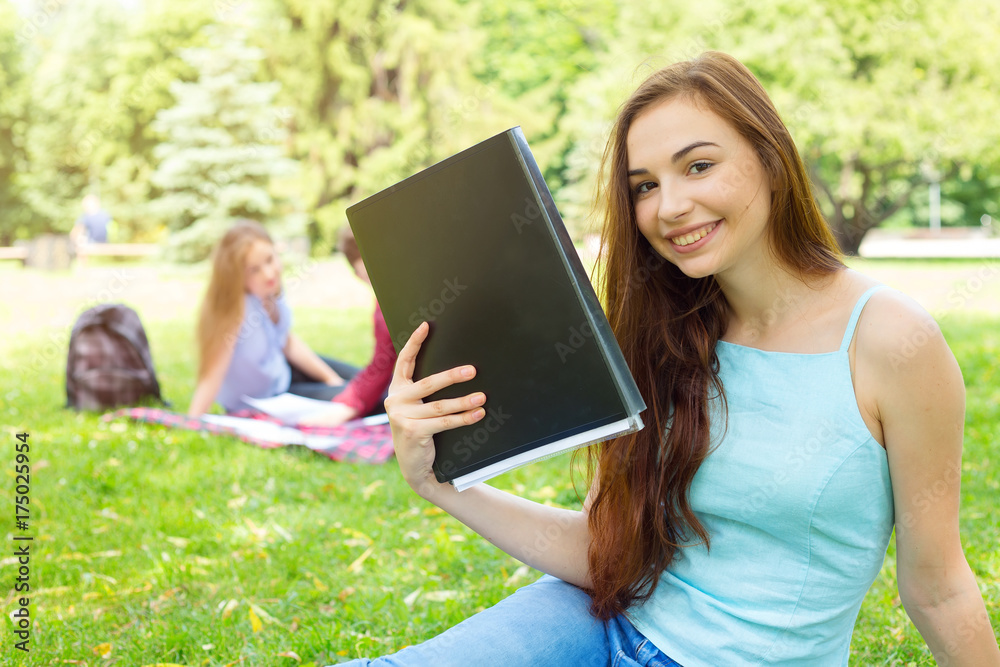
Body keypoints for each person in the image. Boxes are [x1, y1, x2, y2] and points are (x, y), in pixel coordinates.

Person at [337, 52, 1000, 666]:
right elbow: (605, 556)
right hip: (593, 621)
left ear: (769, 158)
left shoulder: (892, 341)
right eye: (645, 185)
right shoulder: (658, 331)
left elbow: (937, 586)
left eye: (699, 166)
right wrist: (441, 483)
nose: (670, 206)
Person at [187, 220, 359, 416]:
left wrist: (330, 379)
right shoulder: (235, 310)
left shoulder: (269, 290)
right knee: (365, 397)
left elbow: (285, 340)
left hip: (284, 371)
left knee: (368, 379)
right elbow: (212, 373)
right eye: (254, 270)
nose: (268, 273)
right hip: (272, 397)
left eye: (269, 260)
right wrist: (194, 421)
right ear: (236, 276)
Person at [299, 226, 397, 426]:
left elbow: (381, 367)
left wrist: (348, 405)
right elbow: (382, 361)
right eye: (369, 275)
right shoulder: (382, 303)